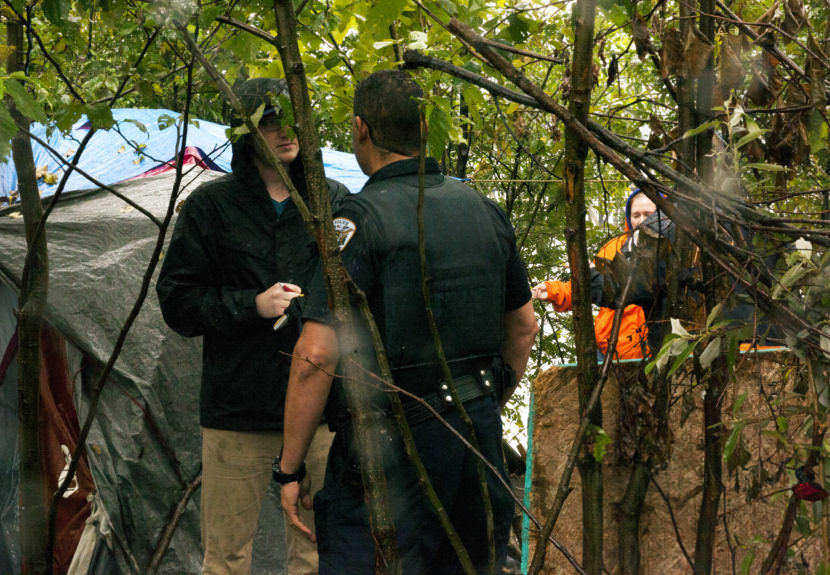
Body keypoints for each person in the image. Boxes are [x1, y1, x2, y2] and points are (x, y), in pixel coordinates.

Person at [277, 70, 539, 574]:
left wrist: (288, 468)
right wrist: (482, 399)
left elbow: (315, 357)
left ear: (360, 128)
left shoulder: (358, 221)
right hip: (476, 440)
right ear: (427, 128)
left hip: (390, 451)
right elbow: (523, 325)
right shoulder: (484, 210)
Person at [155, 77, 349, 575]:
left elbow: (360, 297)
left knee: (315, 556)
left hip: (321, 412)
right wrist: (250, 305)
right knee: (225, 558)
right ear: (245, 132)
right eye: (269, 121)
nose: (285, 131)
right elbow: (177, 302)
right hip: (236, 412)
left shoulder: (332, 201)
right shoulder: (211, 207)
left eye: (291, 119)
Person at [531, 189, 657, 359]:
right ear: (629, 218)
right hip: (608, 350)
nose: (642, 221)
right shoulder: (614, 248)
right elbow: (590, 284)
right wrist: (553, 291)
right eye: (636, 215)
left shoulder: (674, 250)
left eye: (648, 214)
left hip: (653, 351)